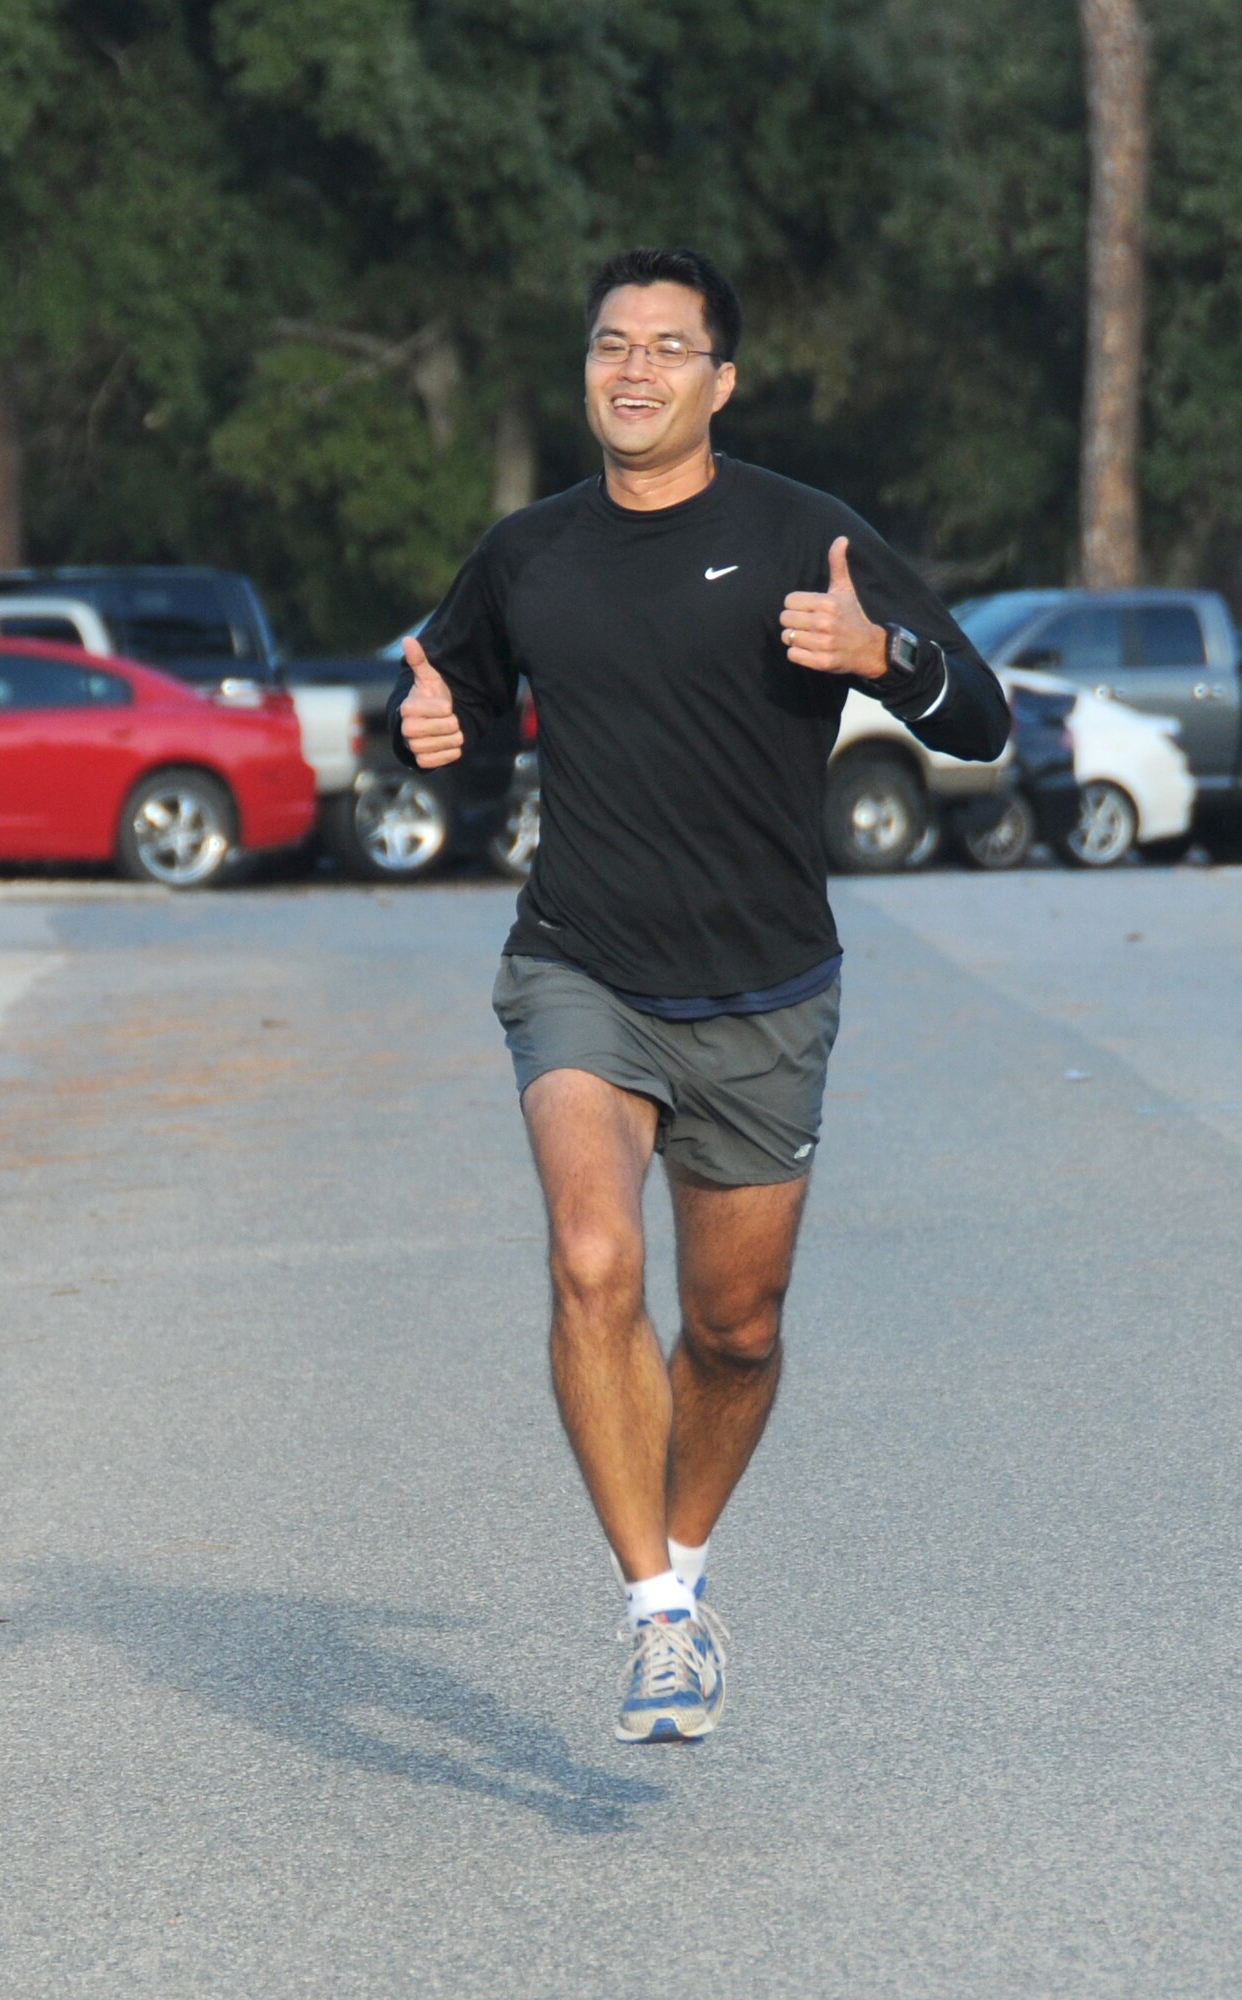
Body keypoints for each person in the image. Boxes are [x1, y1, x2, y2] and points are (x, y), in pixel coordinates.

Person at [388, 246, 1010, 1744]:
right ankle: (658, 1620)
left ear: (719, 383)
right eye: (613, 343)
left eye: (671, 348)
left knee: (733, 1329)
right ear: (586, 368)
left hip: (764, 990)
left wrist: (885, 656)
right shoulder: (528, 552)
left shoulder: (809, 536)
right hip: (579, 968)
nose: (636, 370)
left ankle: (688, 1556)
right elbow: (447, 702)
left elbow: (982, 721)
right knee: (594, 1263)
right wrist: (419, 728)